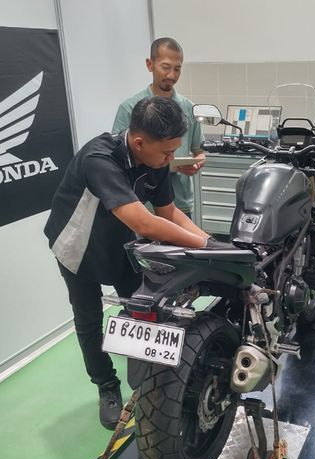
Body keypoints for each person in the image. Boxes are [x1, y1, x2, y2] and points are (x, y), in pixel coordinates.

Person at [44, 96, 212, 430]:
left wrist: (210, 243)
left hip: (121, 242)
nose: (170, 159)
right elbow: (144, 222)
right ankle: (106, 386)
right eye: (166, 153)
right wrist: (204, 246)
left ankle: (153, 382)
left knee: (145, 309)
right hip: (78, 246)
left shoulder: (156, 159)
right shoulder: (99, 158)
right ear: (138, 143)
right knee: (89, 319)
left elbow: (169, 212)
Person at [112, 37, 205, 218]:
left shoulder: (189, 108)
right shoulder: (130, 108)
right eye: (166, 67)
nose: (171, 75)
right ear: (150, 64)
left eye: (177, 69)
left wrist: (197, 162)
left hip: (180, 201)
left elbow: (198, 151)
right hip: (142, 202)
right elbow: (119, 157)